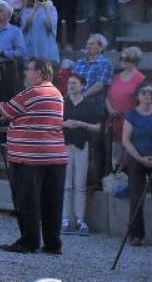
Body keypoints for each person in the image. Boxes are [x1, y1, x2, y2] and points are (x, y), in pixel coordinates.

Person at [0, 58, 66, 254]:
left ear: (40, 73)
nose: (25, 73)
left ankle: (29, 241)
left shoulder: (32, 92)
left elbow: (6, 109)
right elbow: (25, 114)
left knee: (27, 201)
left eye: (28, 69)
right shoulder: (56, 93)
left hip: (29, 157)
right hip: (54, 155)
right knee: (52, 202)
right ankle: (53, 244)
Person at [61, 74, 102, 235]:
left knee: (80, 184)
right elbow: (53, 121)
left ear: (82, 85)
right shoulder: (62, 102)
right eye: (70, 83)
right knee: (66, 184)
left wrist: (81, 124)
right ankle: (64, 219)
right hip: (64, 144)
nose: (71, 86)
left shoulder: (89, 105)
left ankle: (80, 220)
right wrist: (65, 123)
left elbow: (98, 127)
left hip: (81, 145)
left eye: (75, 83)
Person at [121, 81, 152, 247]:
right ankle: (136, 233)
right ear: (138, 96)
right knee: (135, 197)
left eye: (150, 93)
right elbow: (126, 140)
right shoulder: (131, 115)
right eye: (144, 92)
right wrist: (140, 158)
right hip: (136, 159)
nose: (148, 96)